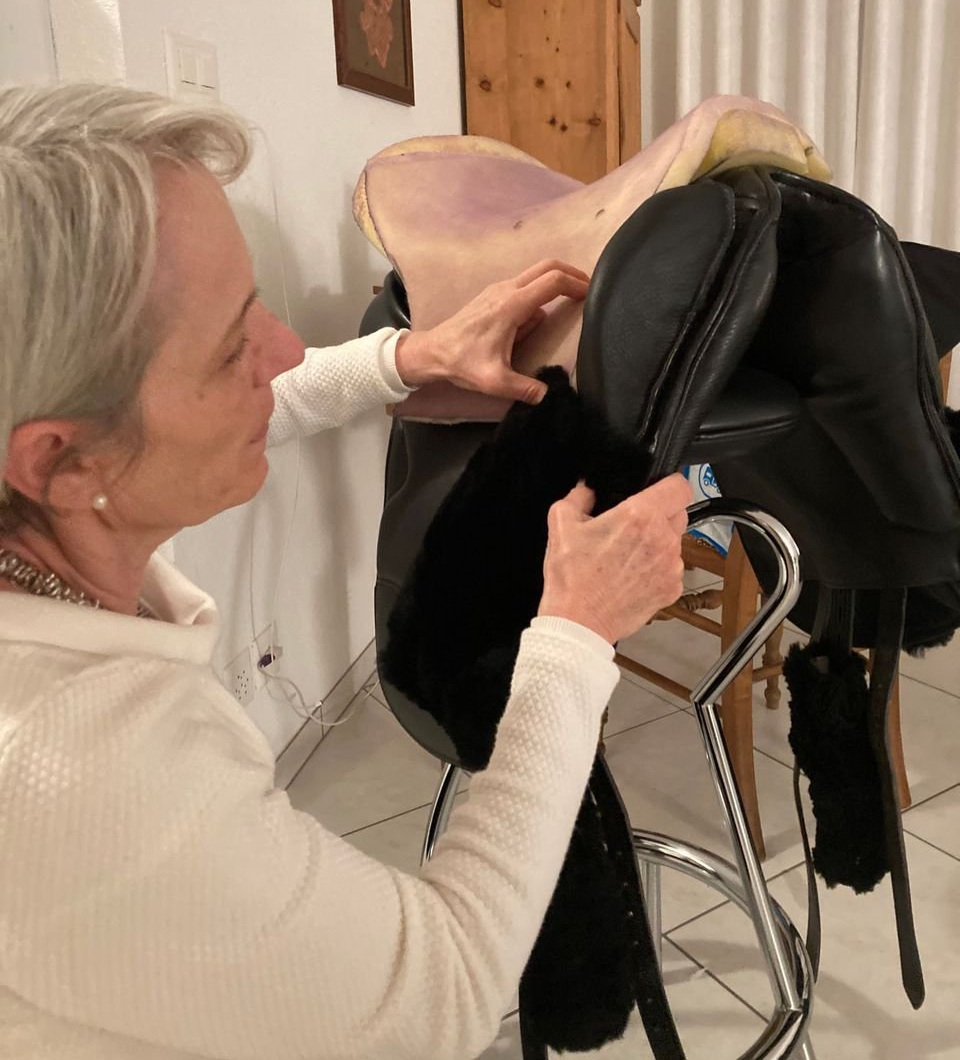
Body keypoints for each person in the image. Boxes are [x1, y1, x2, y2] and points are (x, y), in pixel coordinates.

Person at [0, 83, 690, 1060]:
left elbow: (270, 400)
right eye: (232, 347)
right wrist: (575, 636)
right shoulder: (78, 774)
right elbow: (439, 994)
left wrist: (407, 356)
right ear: (62, 462)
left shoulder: (47, 513)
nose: (284, 348)